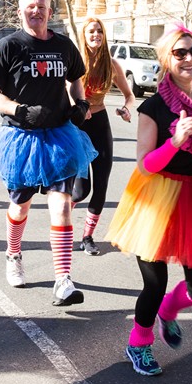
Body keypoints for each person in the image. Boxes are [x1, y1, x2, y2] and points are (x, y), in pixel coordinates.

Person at [106, 22, 192, 376]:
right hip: (155, 197)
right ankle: (139, 343)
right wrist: (176, 142)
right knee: (154, 282)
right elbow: (145, 164)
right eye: (179, 53)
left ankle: (169, 311)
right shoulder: (153, 107)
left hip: (191, 198)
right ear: (166, 60)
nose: (188, 59)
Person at [0, 0, 97, 306]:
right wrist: (19, 110)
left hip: (59, 136)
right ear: (20, 12)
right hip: (21, 139)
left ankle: (63, 280)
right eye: (30, 7)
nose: (36, 11)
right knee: (20, 206)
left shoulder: (63, 45)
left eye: (41, 6)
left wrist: (80, 102)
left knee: (61, 204)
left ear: (50, 11)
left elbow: (75, 78)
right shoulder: (9, 46)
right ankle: (13, 255)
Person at [72, 16, 137, 255]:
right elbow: (63, 91)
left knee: (101, 186)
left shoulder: (112, 64)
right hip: (77, 126)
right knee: (80, 190)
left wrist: (127, 108)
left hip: (100, 123)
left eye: (99, 31)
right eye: (91, 31)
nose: (95, 35)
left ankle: (87, 237)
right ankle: (61, 225)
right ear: (84, 35)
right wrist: (78, 107)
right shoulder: (75, 61)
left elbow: (129, 96)